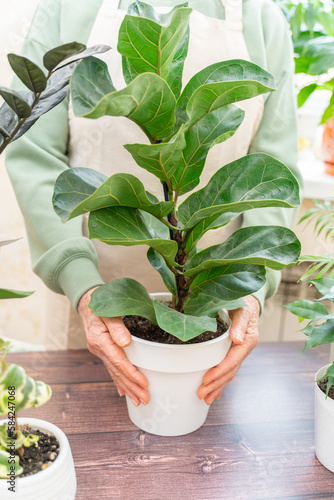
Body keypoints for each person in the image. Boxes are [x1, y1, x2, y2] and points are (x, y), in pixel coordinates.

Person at [6, 0, 302, 407]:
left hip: (212, 315)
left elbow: (274, 169)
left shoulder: (261, 17)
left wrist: (251, 293)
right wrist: (82, 286)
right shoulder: (64, 8)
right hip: (92, 307)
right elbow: (34, 153)